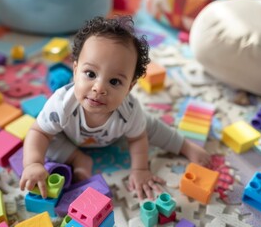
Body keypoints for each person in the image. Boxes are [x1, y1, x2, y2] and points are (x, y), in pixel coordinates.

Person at [19, 15, 210, 200]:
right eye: (90, 74)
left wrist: (140, 169)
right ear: (76, 72)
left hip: (116, 134)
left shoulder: (129, 111)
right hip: (68, 137)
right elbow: (39, 132)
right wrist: (33, 163)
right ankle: (77, 158)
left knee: (149, 125)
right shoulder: (62, 103)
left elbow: (137, 139)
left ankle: (184, 145)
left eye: (114, 81)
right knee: (46, 140)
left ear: (130, 87)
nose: (99, 88)